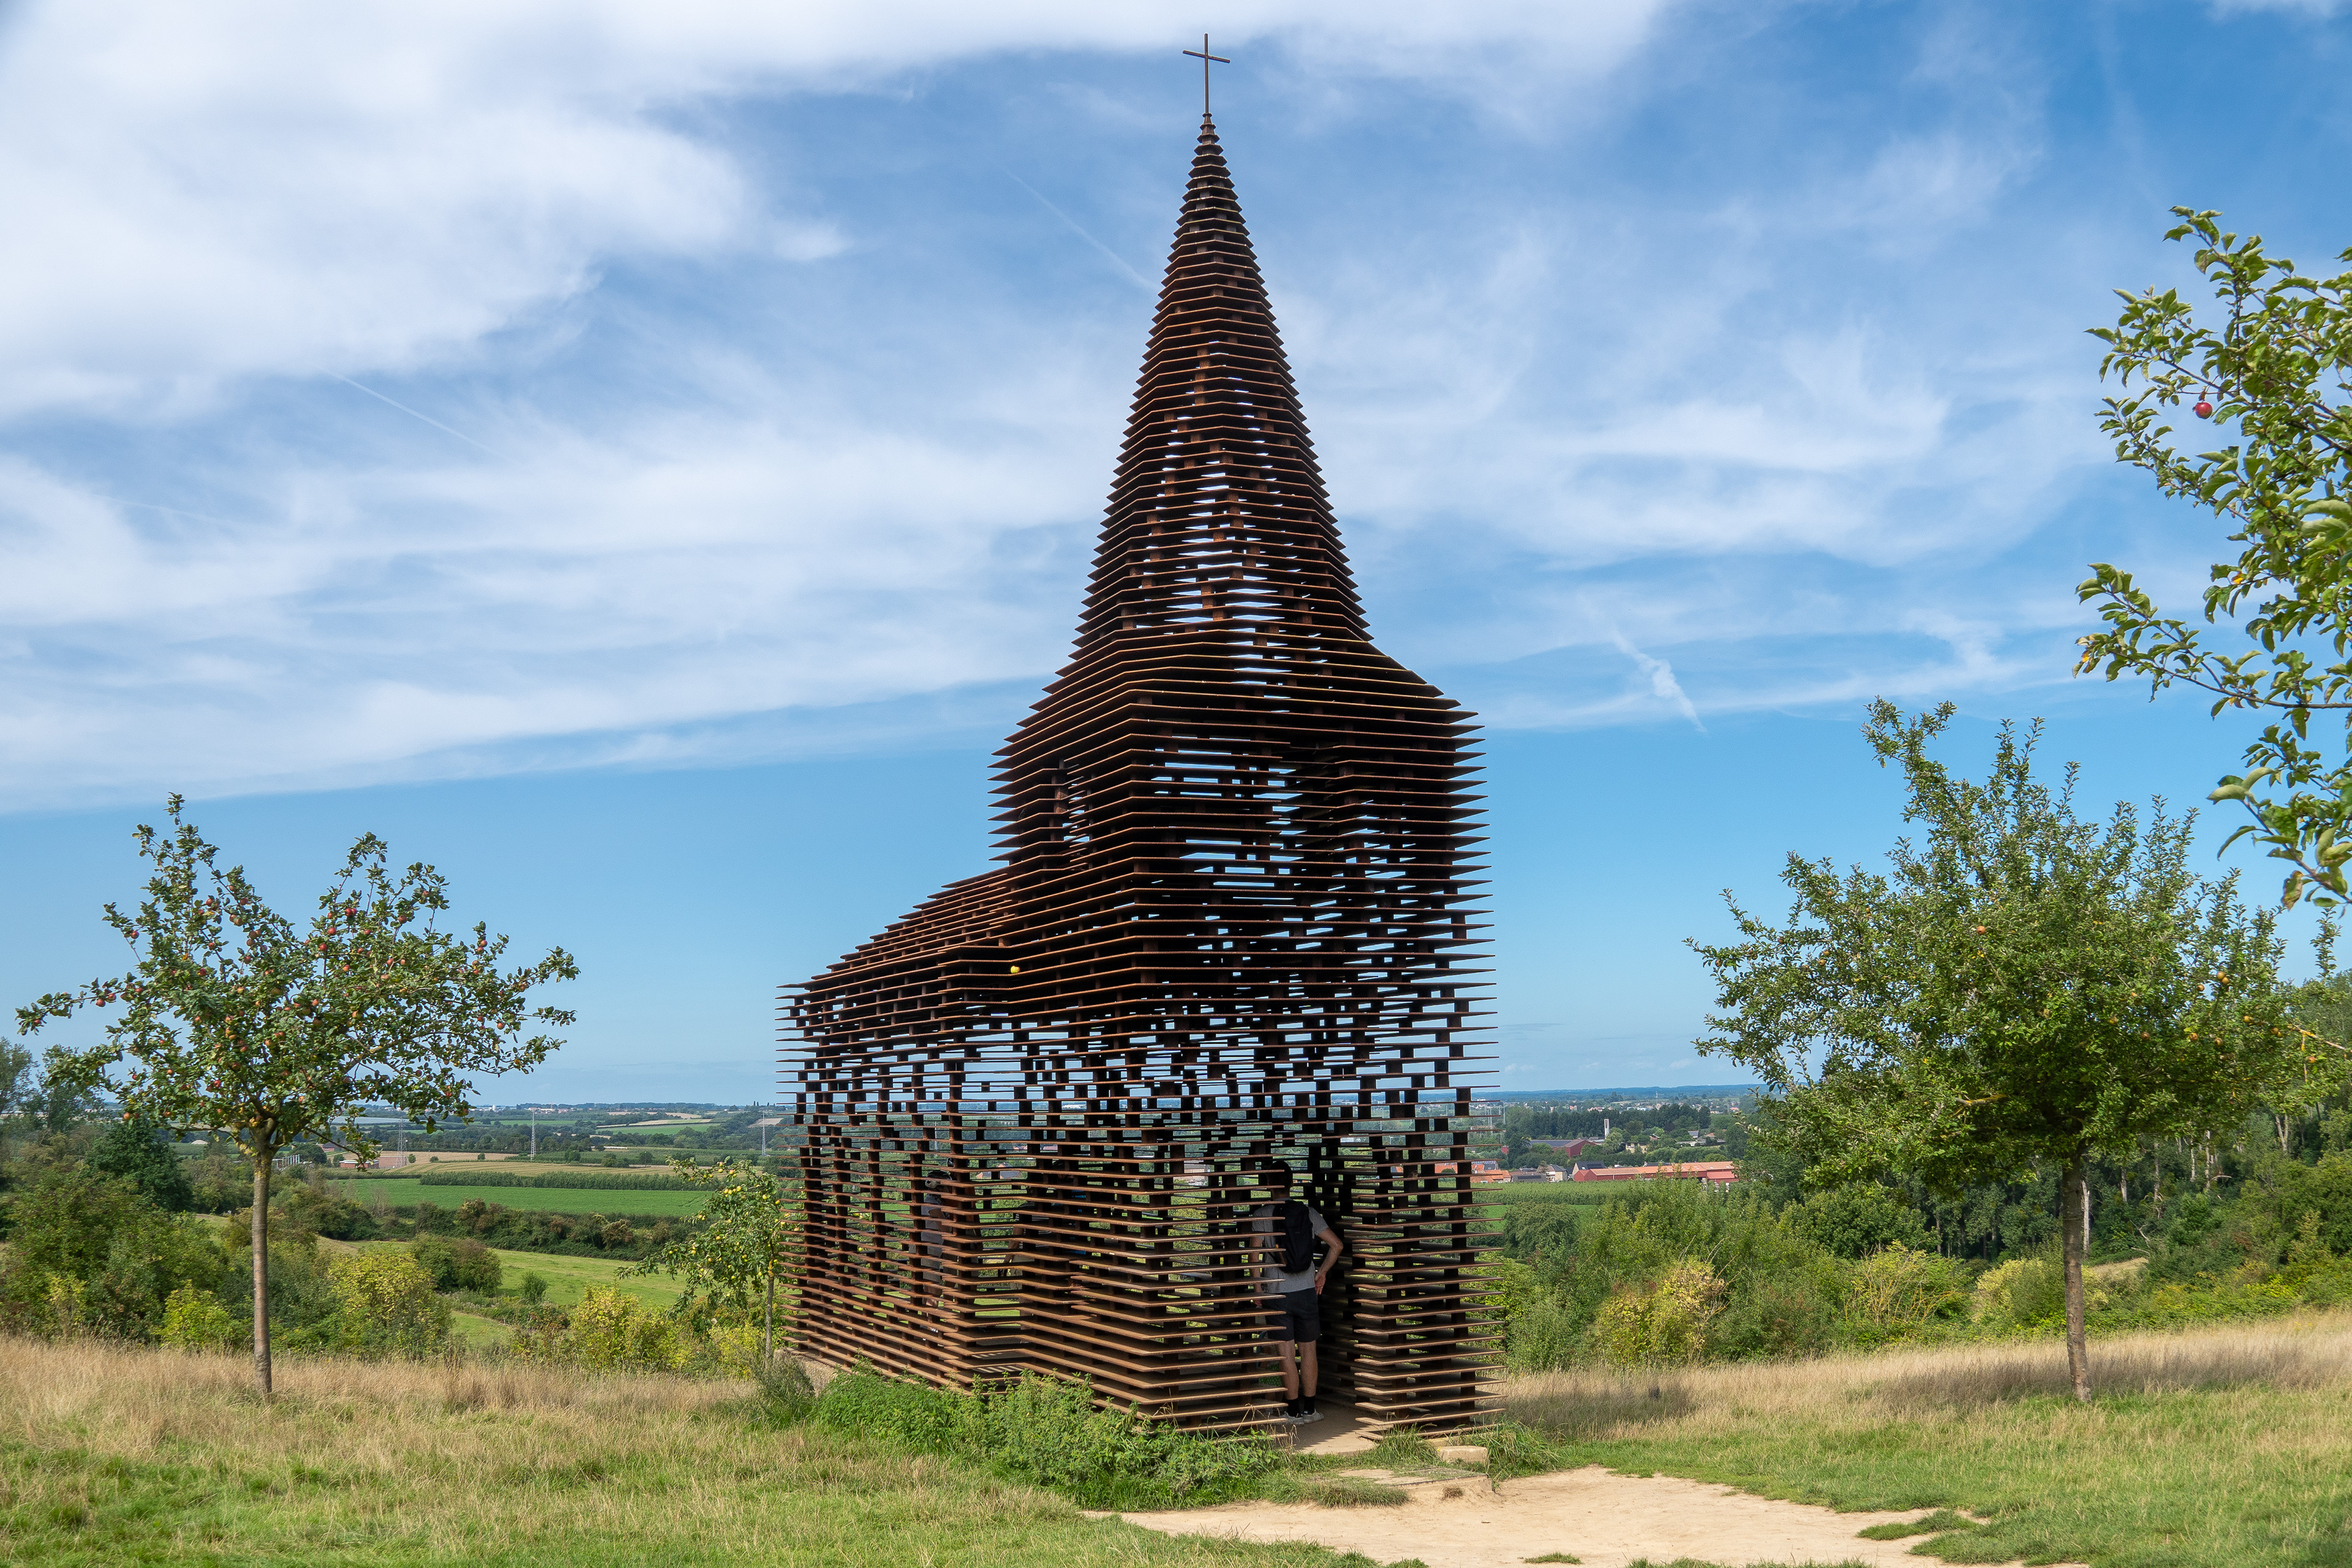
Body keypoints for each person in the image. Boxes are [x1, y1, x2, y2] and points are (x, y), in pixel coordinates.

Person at [1251, 1165, 1343, 1423]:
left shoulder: (1262, 1215)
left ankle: (1292, 1412)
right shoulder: (1309, 1213)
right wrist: (1321, 1273)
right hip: (1306, 1292)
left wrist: (1258, 1291)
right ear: (1292, 1184)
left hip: (1277, 1294)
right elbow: (1337, 1245)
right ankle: (1310, 1410)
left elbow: (1254, 1258)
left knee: (1286, 1354)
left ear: (1268, 1185)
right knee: (1309, 1352)